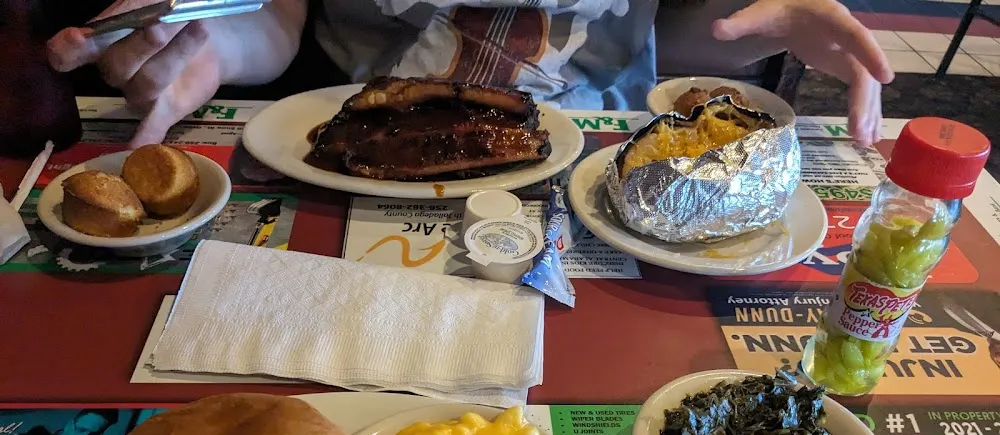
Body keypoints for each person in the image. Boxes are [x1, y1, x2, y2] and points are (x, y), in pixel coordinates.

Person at [47, 0, 891, 147]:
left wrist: (758, 34)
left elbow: (671, 40)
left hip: (606, 163)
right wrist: (215, 47)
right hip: (357, 147)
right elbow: (279, 20)